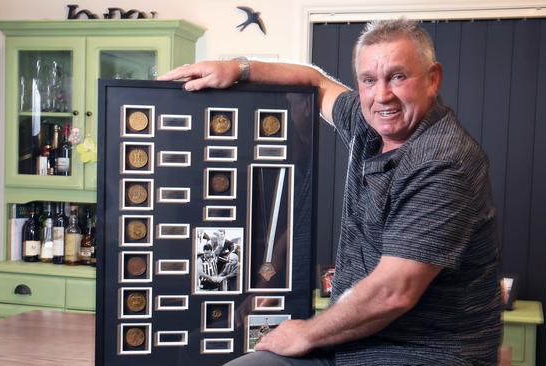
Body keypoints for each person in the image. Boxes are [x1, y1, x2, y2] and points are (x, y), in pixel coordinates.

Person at [159, 18, 501, 366]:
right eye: (369, 80)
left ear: (432, 79)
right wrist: (236, 68)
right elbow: (315, 80)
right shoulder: (369, 121)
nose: (382, 95)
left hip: (422, 354)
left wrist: (305, 333)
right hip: (352, 346)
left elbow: (393, 292)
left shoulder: (443, 161)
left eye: (398, 76)